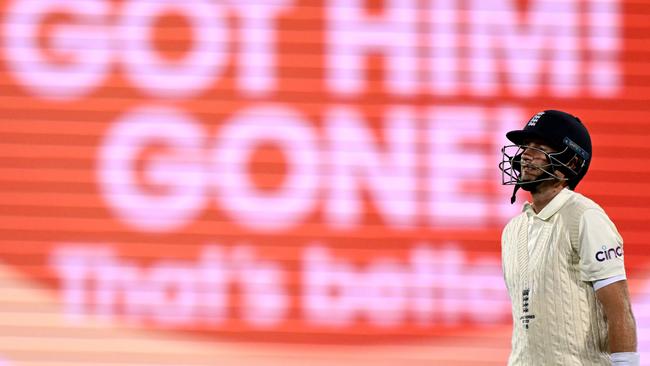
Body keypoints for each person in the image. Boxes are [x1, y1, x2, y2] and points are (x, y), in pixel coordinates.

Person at [498, 110, 639, 365]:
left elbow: (619, 311)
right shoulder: (513, 230)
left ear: (571, 164)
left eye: (539, 147)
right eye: (525, 147)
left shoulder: (585, 217)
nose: (526, 155)